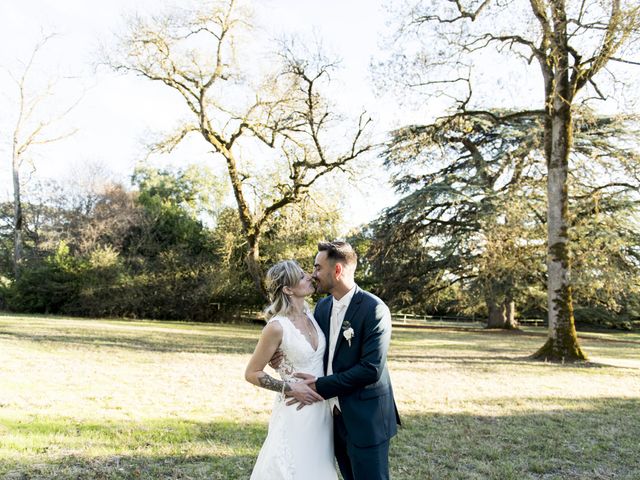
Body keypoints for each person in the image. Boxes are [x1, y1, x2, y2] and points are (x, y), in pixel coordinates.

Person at [278, 241, 401, 480]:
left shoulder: (374, 309)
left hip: (366, 418)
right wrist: (280, 355)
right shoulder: (322, 308)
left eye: (317, 268)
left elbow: (370, 369)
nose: (313, 275)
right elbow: (308, 345)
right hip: (330, 419)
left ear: (336, 271)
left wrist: (319, 386)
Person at [244, 260, 337, 480]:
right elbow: (251, 373)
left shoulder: (312, 314)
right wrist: (289, 388)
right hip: (296, 408)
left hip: (322, 408)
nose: (309, 277)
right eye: (302, 276)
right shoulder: (276, 327)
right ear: (288, 289)